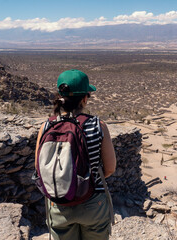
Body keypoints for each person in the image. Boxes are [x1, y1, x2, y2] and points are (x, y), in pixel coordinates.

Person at [35, 69, 116, 240]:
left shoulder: (46, 127)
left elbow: (39, 167)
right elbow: (109, 168)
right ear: (84, 99)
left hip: (58, 203)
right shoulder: (98, 126)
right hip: (93, 201)